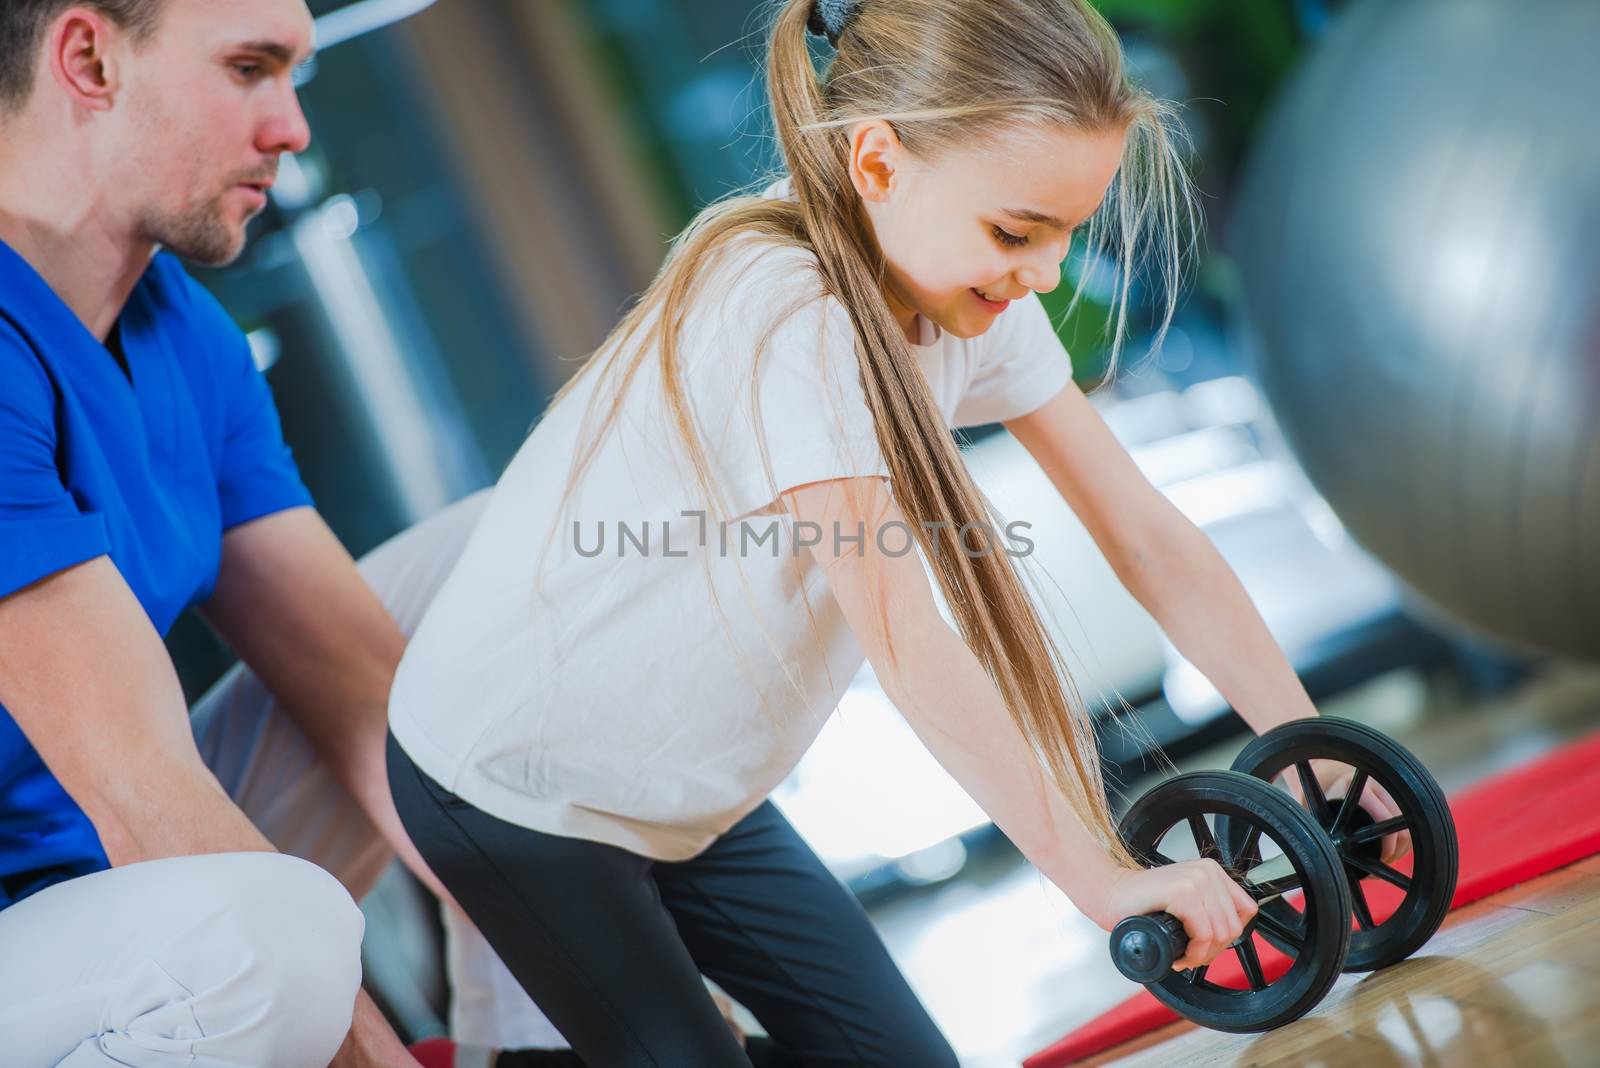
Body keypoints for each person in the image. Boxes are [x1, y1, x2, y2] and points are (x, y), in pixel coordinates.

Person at [384, 0, 1414, 1066]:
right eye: (1016, 232)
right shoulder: (785, 309)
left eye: (1068, 232)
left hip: (695, 796)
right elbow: (906, 635)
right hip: (521, 786)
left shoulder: (967, 297)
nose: (1047, 274)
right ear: (875, 162)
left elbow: (1145, 535)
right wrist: (1100, 880)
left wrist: (1306, 758)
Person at [0, 2, 467, 1064]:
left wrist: (606, 1000)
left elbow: (365, 706)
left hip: (93, 894)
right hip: (36, 934)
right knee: (267, 940)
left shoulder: (178, 329)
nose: (293, 127)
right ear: (89, 58)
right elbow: (142, 802)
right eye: (250, 69)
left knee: (475, 583)